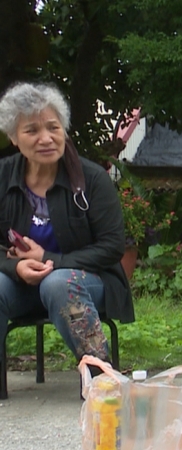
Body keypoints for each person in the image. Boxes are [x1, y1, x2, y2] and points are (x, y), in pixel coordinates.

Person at [0, 82, 133, 376]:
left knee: (58, 283)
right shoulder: (2, 176)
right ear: (13, 137)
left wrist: (49, 259)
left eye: (53, 127)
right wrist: (15, 267)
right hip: (21, 285)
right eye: (32, 130)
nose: (46, 138)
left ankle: (101, 379)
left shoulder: (92, 179)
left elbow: (112, 246)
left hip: (87, 282)